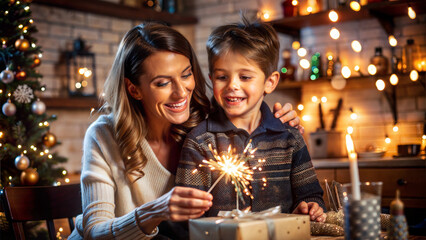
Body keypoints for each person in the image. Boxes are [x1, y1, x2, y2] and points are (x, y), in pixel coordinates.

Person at [69, 22, 302, 239]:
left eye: (186, 74)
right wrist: (153, 212)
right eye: (162, 83)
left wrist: (282, 122)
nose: (181, 92)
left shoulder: (208, 129)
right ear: (134, 89)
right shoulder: (104, 135)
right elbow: (94, 230)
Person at [176, 17, 326, 222]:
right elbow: (185, 213)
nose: (232, 85)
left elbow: (310, 194)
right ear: (211, 79)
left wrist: (310, 207)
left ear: (270, 82)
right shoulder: (200, 141)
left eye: (245, 77)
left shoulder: (289, 137)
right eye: (222, 77)